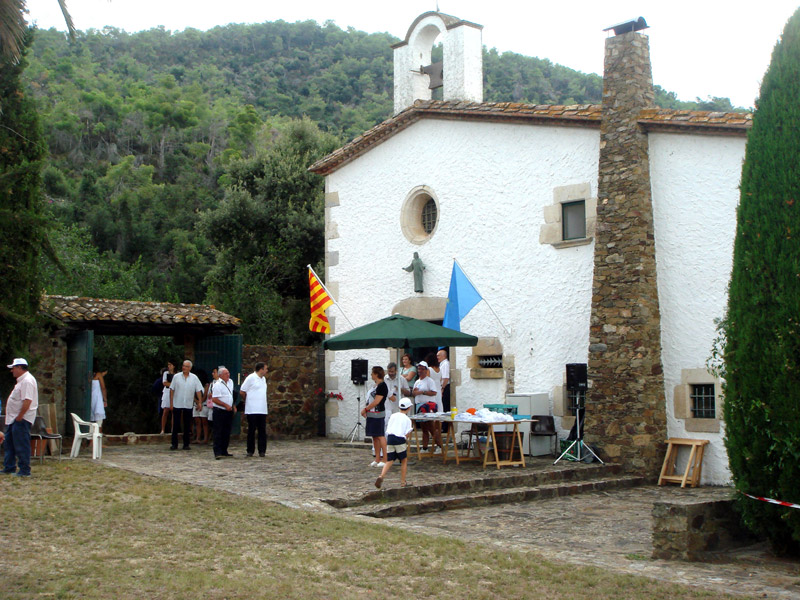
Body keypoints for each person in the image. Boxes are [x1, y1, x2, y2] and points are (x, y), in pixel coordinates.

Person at [3, 358, 38, 477]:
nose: (12, 371)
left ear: (19, 368)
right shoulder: (22, 381)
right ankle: (9, 467)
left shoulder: (27, 381)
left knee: (21, 444)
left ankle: (24, 470)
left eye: (13, 368)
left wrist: (20, 416)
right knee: (10, 443)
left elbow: (27, 400)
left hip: (21, 419)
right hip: (14, 418)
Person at [375, 398, 414, 489]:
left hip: (390, 438)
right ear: (408, 408)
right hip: (400, 439)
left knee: (390, 460)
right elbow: (407, 433)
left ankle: (381, 476)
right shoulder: (407, 419)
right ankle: (403, 482)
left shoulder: (393, 416)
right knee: (404, 460)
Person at [169, 360, 204, 451]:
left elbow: (198, 390)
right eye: (183, 366)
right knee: (176, 424)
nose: (184, 367)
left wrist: (199, 402)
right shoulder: (176, 377)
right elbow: (172, 390)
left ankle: (186, 444)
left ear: (190, 368)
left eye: (186, 366)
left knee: (187, 425)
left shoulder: (194, 378)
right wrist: (171, 403)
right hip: (177, 403)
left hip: (188, 404)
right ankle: (174, 444)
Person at [412, 361, 442, 454]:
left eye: (421, 369)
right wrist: (415, 392)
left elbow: (434, 392)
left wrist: (422, 392)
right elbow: (414, 393)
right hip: (419, 406)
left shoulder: (430, 381)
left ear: (426, 370)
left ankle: (439, 446)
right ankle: (424, 447)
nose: (420, 371)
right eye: (419, 369)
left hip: (428, 406)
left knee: (431, 427)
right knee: (423, 428)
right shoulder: (417, 381)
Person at [240, 362, 268, 457]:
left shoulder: (263, 379)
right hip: (252, 409)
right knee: (251, 430)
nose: (266, 371)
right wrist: (248, 400)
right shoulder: (251, 378)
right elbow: (242, 391)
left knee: (262, 431)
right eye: (265, 369)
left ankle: (262, 450)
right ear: (261, 369)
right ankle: (250, 450)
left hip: (262, 409)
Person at [361, 365, 388, 468]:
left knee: (380, 435)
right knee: (374, 436)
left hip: (378, 413)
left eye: (372, 373)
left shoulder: (382, 386)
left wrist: (365, 409)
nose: (371, 375)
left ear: (376, 374)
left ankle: (385, 458)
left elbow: (377, 401)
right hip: (372, 414)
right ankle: (377, 458)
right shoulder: (375, 386)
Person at [211, 367, 236, 459]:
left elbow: (230, 396)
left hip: (228, 410)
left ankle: (224, 450)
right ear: (220, 375)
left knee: (226, 431)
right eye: (226, 373)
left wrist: (232, 406)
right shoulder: (217, 385)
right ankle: (217, 451)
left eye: (228, 373)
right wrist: (225, 405)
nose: (228, 375)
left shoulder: (231, 382)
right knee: (218, 431)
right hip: (219, 410)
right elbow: (214, 399)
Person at [383, 361, 410, 432]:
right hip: (387, 406)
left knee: (398, 424)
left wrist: (400, 389)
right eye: (389, 371)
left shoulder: (401, 379)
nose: (391, 373)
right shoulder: (384, 379)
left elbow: (408, 392)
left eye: (392, 371)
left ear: (396, 371)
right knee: (387, 424)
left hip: (398, 406)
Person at [192, 368, 210, 445]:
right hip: (196, 405)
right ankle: (197, 437)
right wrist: (197, 402)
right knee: (197, 422)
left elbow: (205, 396)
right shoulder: (194, 384)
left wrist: (200, 402)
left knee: (204, 422)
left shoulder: (206, 385)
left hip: (204, 405)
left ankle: (205, 438)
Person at [159, 360, 176, 435]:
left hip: (175, 392)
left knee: (174, 411)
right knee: (165, 410)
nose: (169, 366)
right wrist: (172, 384)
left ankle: (173, 429)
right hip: (167, 392)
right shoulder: (166, 373)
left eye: (170, 364)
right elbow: (165, 383)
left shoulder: (177, 374)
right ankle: (162, 429)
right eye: (168, 365)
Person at [91, 362, 108, 430]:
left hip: (90, 399)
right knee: (99, 421)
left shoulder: (90, 375)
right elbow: (103, 388)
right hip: (97, 399)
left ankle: (91, 439)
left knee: (91, 420)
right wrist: (105, 399)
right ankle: (98, 437)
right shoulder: (98, 375)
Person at [437, 349, 451, 414]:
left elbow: (446, 378)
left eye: (439, 356)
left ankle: (445, 424)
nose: (437, 357)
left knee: (445, 406)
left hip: (445, 387)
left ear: (444, 356)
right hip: (443, 387)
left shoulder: (445, 364)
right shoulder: (442, 364)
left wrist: (442, 388)